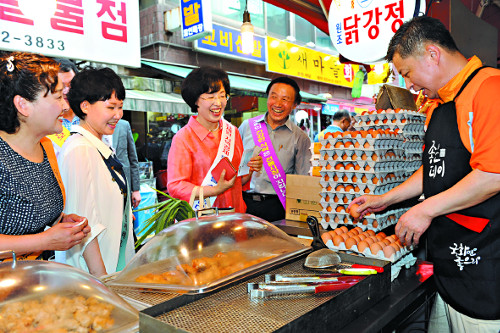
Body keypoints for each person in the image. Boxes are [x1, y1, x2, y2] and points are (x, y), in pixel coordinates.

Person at [349, 16, 500, 331]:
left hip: (484, 267)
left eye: (407, 73)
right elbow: (435, 167)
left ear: (433, 54)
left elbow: (492, 176)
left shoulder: (490, 88)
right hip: (447, 266)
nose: (409, 85)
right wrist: (385, 199)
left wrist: (424, 208)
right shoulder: (439, 104)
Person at [0, 52, 89, 260]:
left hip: (38, 280)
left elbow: (34, 220)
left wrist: (62, 222)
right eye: (58, 97)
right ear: (23, 105)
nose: (65, 106)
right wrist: (45, 240)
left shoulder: (46, 147)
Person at [57, 67, 135, 276]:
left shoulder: (98, 146)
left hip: (111, 264)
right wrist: (103, 284)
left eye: (120, 107)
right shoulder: (79, 149)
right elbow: (82, 226)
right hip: (95, 275)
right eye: (111, 107)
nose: (118, 115)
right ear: (85, 106)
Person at [167, 67, 262, 213]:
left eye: (222, 95)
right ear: (195, 100)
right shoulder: (183, 138)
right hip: (203, 223)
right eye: (210, 97)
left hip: (235, 218)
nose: (218, 103)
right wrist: (214, 190)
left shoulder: (233, 132)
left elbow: (237, 181)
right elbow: (176, 186)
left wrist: (250, 168)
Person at [239, 77, 312, 222]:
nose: (278, 104)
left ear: (294, 105)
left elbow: (301, 180)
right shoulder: (246, 127)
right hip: (245, 204)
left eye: (285, 99)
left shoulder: (301, 138)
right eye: (274, 97)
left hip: (278, 208)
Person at [47, 58, 79, 157]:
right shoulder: (45, 123)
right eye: (61, 86)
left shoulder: (89, 116)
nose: (66, 91)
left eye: (70, 85)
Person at [110, 119, 141, 209]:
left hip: (124, 183)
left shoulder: (124, 125)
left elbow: (133, 159)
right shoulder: (94, 124)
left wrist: (136, 189)